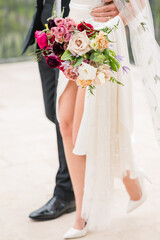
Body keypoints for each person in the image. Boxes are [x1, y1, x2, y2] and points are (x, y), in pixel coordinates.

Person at [54, 0, 160, 238]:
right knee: (66, 123)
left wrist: (117, 21)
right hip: (72, 28)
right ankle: (131, 177)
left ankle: (82, 215)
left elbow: (140, 2)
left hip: (101, 33)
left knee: (84, 128)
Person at [22, 0, 119, 221]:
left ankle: (67, 192)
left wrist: (125, 7)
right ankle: (96, 168)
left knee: (66, 121)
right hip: (47, 27)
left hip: (78, 29)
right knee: (53, 112)